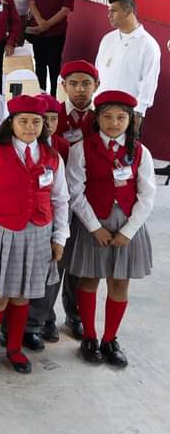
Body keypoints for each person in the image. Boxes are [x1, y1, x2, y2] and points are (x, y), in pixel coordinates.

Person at [0, 95, 70, 375]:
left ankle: (14, 348)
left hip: (39, 233)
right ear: (11, 123)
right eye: (23, 121)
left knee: (23, 296)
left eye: (36, 122)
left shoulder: (52, 156)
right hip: (4, 232)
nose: (29, 127)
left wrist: (59, 237)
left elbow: (61, 199)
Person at [66, 91, 154, 368]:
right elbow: (75, 191)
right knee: (89, 279)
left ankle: (109, 339)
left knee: (119, 282)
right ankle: (89, 337)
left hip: (127, 224)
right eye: (107, 117)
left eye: (121, 117)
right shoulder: (82, 148)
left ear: (131, 120)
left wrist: (129, 230)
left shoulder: (140, 151)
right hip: (93, 223)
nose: (114, 123)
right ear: (97, 118)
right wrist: (94, 227)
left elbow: (147, 195)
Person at [95, 0, 161, 129]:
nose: (109, 15)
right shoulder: (107, 39)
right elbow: (97, 73)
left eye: (113, 11)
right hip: (100, 108)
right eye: (109, 11)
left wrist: (139, 113)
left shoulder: (148, 44)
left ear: (128, 11)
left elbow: (149, 83)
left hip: (127, 114)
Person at [26, 0, 75, 95]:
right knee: (39, 63)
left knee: (53, 65)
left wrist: (47, 24)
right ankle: (40, 93)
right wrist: (40, 21)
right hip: (38, 31)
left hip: (55, 33)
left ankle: (54, 95)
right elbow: (32, 3)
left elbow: (65, 10)